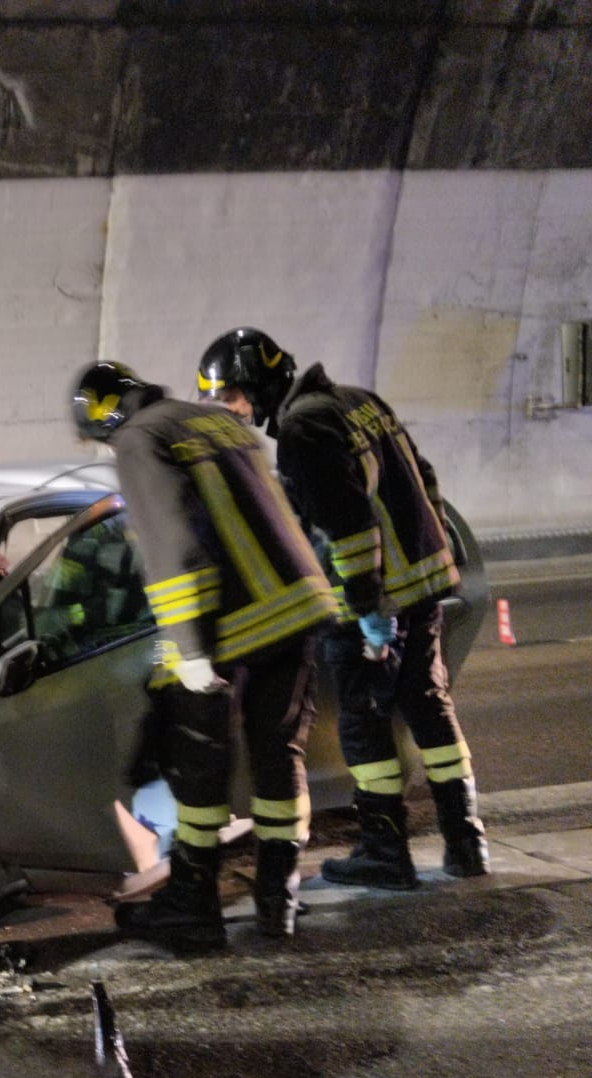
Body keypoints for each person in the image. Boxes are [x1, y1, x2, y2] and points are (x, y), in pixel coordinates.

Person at [196, 328, 489, 889]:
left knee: (364, 720)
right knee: (429, 704)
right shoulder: (358, 402)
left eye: (232, 397)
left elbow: (348, 531)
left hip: (374, 597)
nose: (233, 411)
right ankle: (466, 839)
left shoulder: (304, 431)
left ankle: (385, 851)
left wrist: (366, 611)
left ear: (257, 385)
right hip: (421, 581)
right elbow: (423, 477)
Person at [72, 361, 339, 948]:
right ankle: (278, 901)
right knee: (279, 759)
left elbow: (172, 542)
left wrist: (188, 650)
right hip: (295, 609)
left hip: (230, 626)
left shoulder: (141, 439)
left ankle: (192, 907)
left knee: (198, 767)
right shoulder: (220, 424)